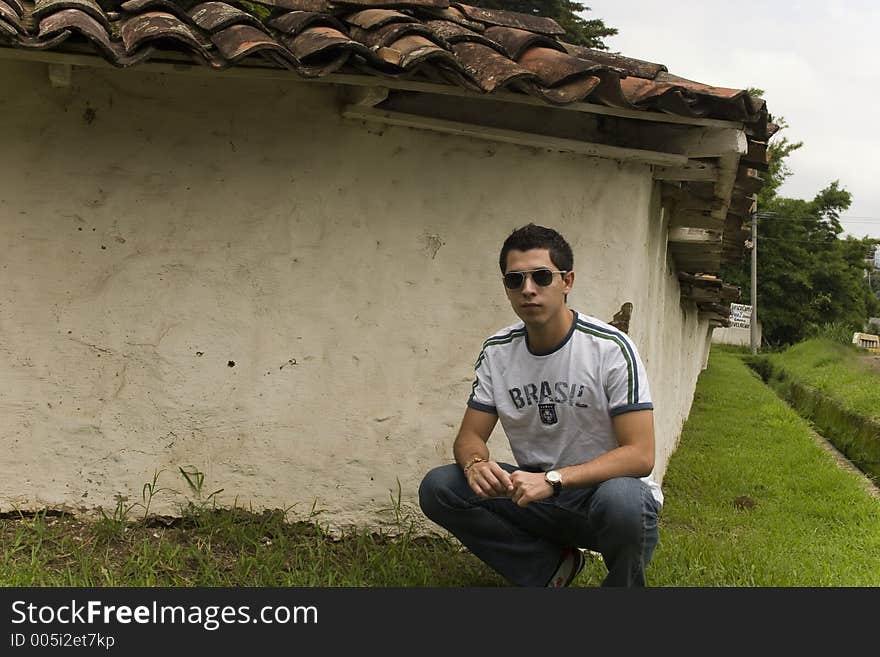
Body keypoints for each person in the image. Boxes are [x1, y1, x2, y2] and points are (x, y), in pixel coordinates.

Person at [419, 224, 661, 587]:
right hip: (534, 495)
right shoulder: (498, 351)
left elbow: (640, 455)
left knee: (623, 497)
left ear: (567, 281)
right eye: (514, 280)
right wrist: (474, 465)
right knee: (441, 486)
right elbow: (469, 436)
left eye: (541, 277)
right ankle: (549, 569)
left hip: (602, 501)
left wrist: (554, 480)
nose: (527, 289)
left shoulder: (610, 348)